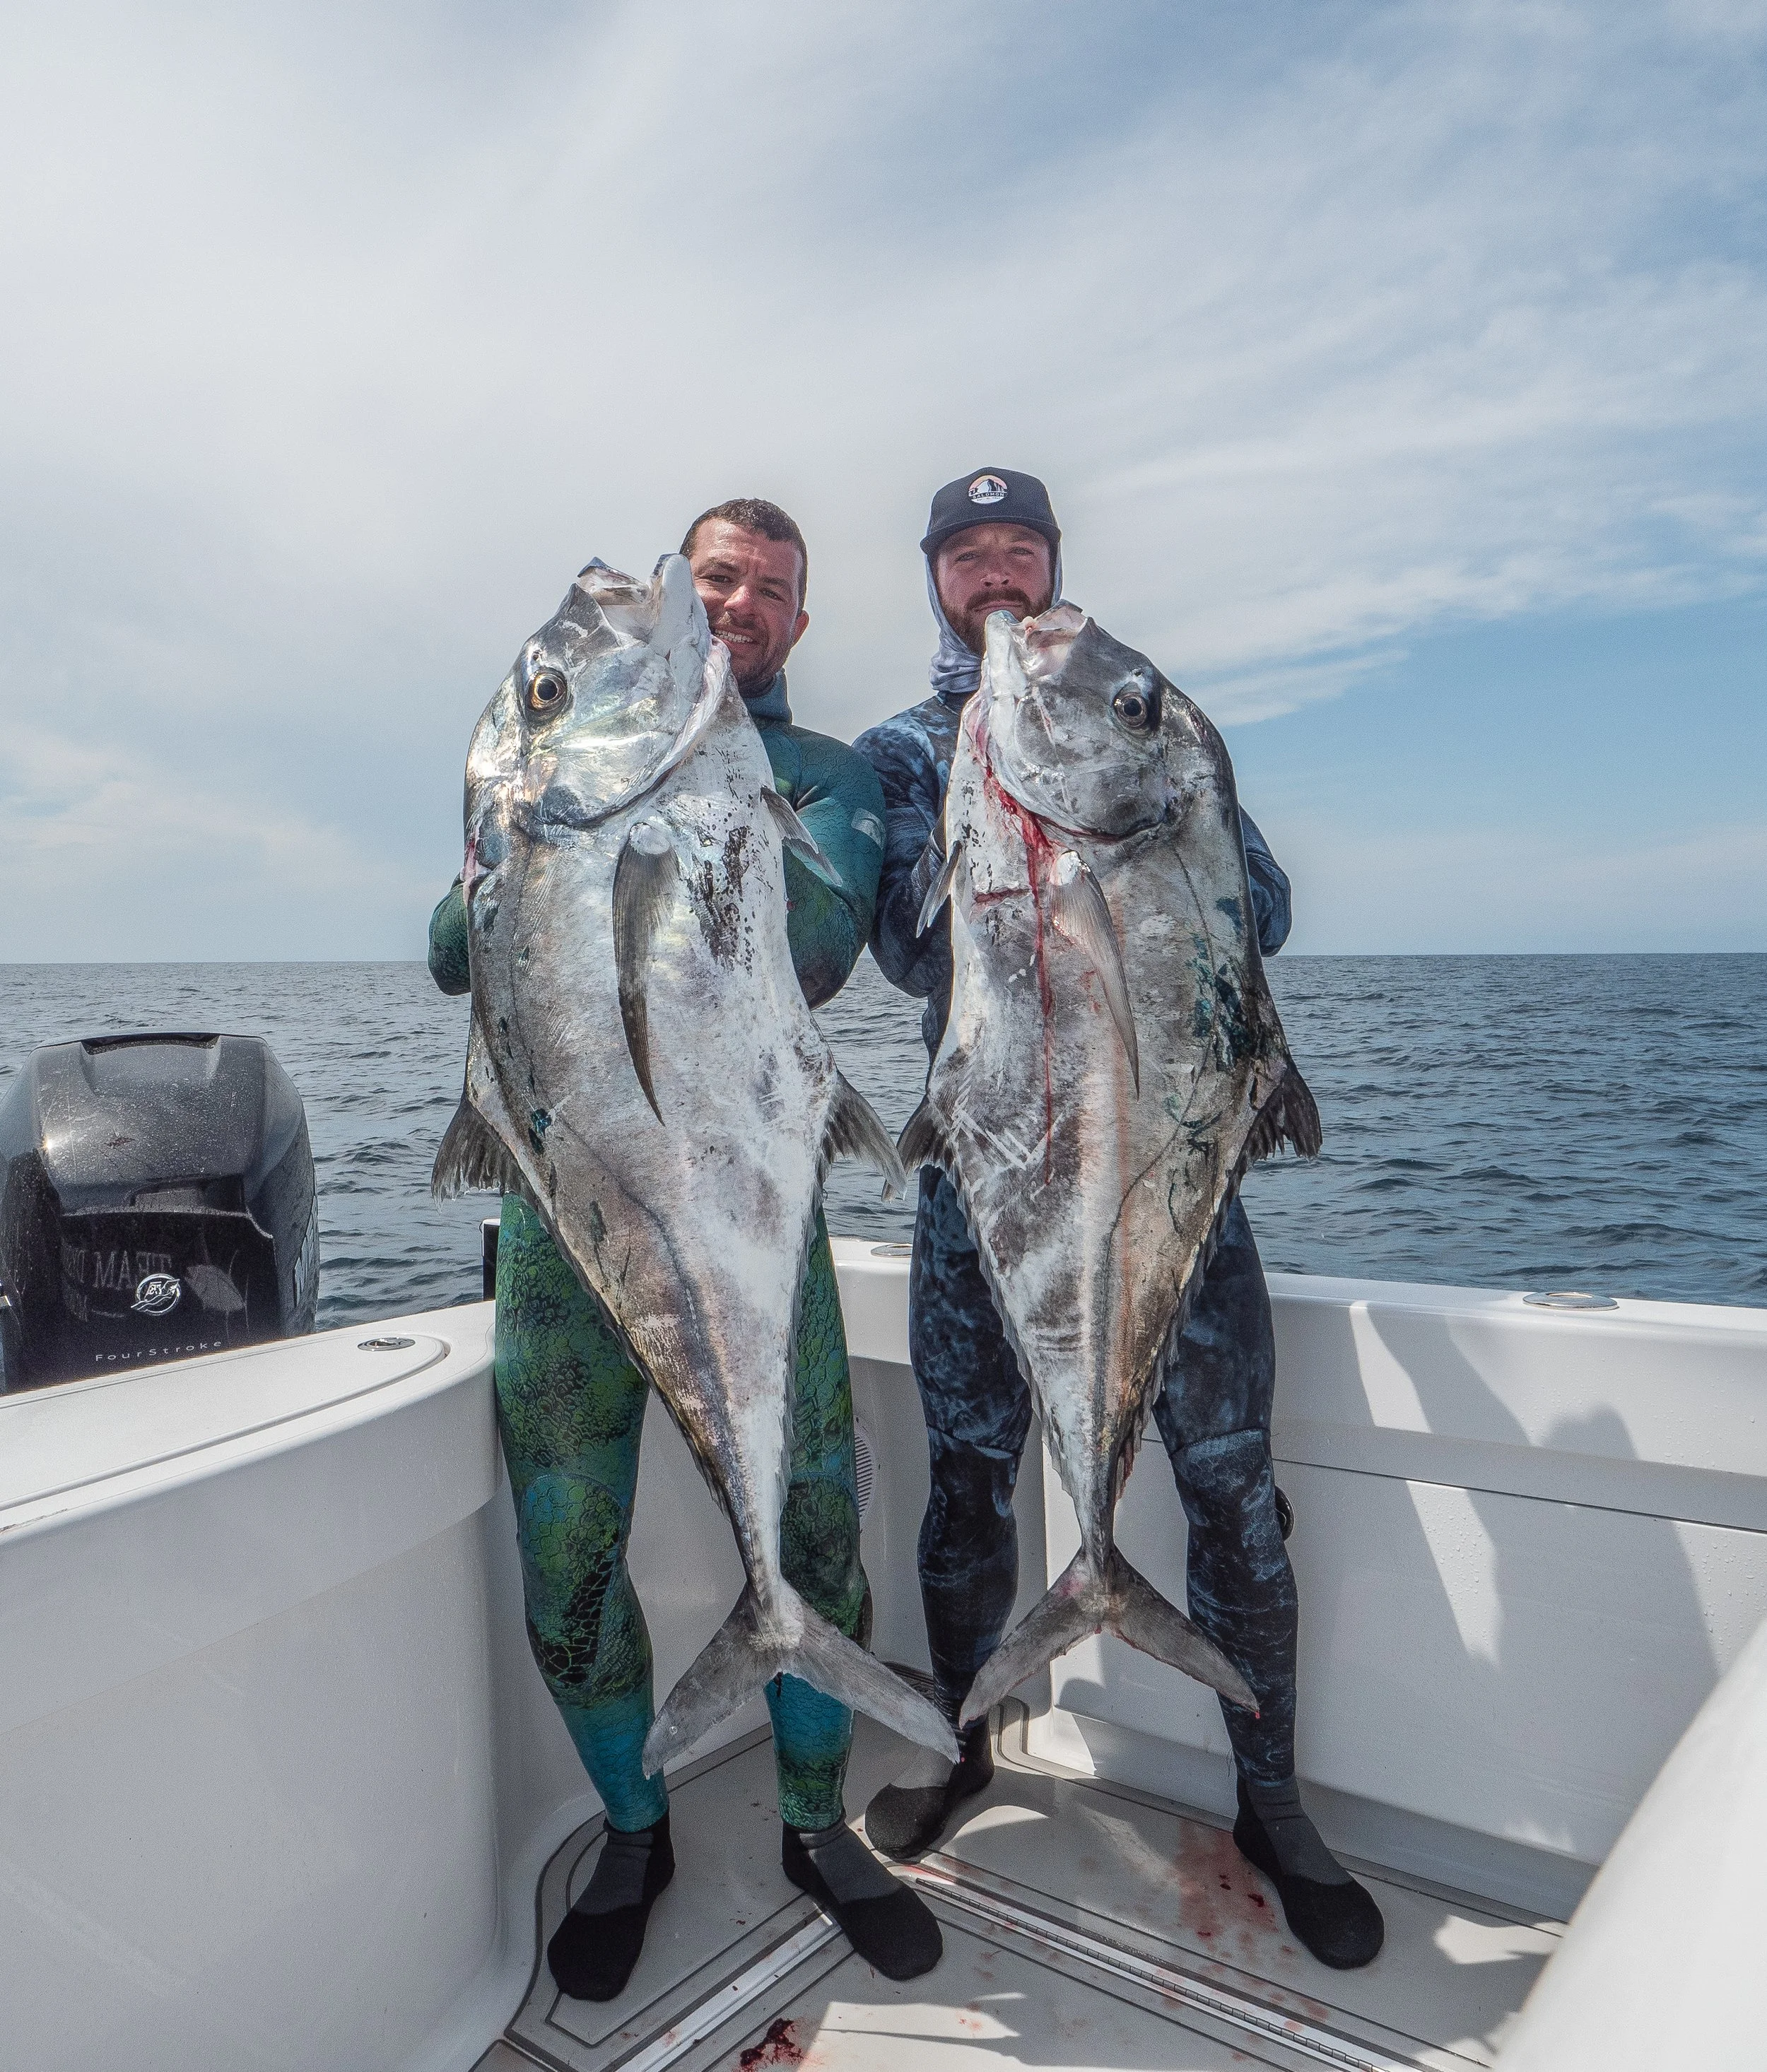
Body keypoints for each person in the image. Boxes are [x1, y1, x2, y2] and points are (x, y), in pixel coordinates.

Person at [852, 467, 1385, 1971]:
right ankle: (967, 1745)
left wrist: (1169, 785)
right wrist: (987, 790)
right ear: (936, 581)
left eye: (1019, 544)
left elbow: (1259, 910)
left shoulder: (1140, 710)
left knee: (1227, 1484)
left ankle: (1270, 1803)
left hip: (1168, 1161)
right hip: (987, 1163)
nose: (997, 568)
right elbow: (902, 949)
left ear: (1054, 561)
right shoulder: (907, 748)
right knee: (966, 1476)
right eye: (968, 553)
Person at [428, 498, 940, 1999]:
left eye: (772, 590)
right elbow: (457, 951)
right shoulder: (541, 778)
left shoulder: (819, 773)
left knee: (816, 1533)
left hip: (752, 1211)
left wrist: (678, 803)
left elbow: (823, 940)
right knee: (568, 1555)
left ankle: (814, 1824)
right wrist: (522, 838)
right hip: (559, 1213)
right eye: (716, 575)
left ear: (794, 622)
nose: (738, 602)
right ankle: (633, 1828)